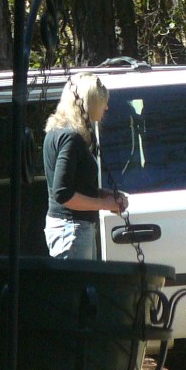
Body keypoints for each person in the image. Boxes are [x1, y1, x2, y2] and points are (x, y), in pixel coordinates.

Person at [43, 73, 127, 259]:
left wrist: (105, 194)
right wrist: (105, 204)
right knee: (79, 279)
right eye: (102, 102)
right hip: (72, 230)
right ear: (90, 103)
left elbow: (75, 185)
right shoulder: (70, 138)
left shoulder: (57, 132)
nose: (106, 107)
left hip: (71, 229)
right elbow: (63, 193)